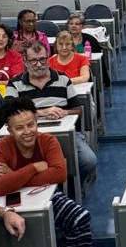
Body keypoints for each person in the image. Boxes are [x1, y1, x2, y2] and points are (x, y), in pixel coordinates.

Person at [0, 96, 95, 247]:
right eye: (19, 128)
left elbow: (59, 174)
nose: (27, 132)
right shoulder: (2, 146)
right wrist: (33, 168)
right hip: (8, 204)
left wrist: (13, 176)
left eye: (31, 124)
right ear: (9, 130)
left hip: (48, 196)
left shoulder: (48, 141)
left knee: (79, 217)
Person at [5, 42, 99, 189]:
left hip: (64, 133)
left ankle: (69, 188)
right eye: (33, 61)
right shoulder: (15, 83)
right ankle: (46, 184)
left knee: (88, 161)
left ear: (48, 59)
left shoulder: (63, 79)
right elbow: (8, 112)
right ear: (25, 62)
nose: (39, 64)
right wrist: (41, 112)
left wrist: (65, 112)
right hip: (29, 135)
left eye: (42, 59)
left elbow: (78, 109)